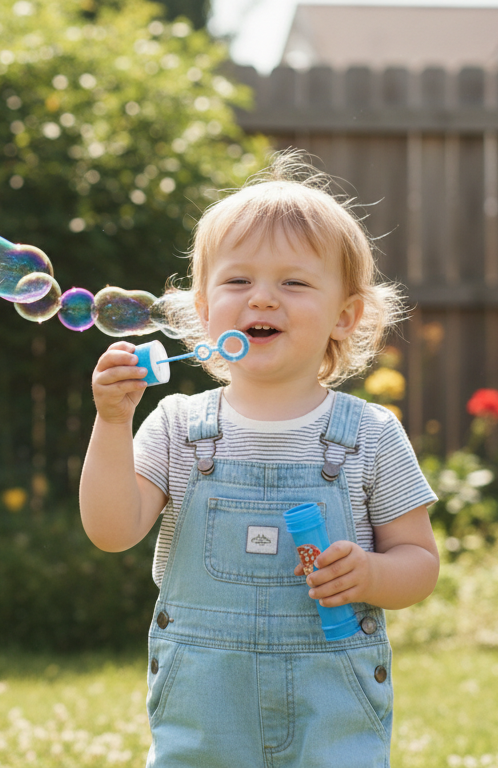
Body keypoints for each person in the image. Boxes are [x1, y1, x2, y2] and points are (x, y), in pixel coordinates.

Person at [80, 152, 439, 767]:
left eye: (293, 283)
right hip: (205, 717)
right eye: (238, 281)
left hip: (332, 715)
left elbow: (420, 563)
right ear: (202, 310)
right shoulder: (178, 427)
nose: (264, 299)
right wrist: (113, 422)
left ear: (345, 316)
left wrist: (373, 575)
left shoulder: (371, 435)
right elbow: (111, 531)